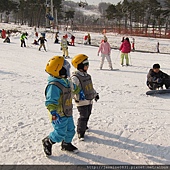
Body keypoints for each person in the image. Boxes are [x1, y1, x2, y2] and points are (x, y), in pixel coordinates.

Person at [42, 56, 80, 156]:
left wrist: (77, 89)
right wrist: (53, 112)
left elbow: (74, 89)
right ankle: (48, 141)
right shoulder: (54, 86)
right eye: (65, 68)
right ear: (58, 70)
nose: (67, 70)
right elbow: (50, 101)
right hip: (58, 114)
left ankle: (66, 144)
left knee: (71, 130)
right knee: (60, 133)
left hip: (67, 112)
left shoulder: (66, 81)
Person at [71, 54, 99, 141]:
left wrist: (95, 94)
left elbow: (90, 87)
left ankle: (84, 125)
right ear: (80, 65)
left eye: (88, 63)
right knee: (83, 116)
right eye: (86, 63)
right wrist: (72, 97)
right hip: (81, 100)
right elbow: (72, 89)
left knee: (88, 113)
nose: (88, 65)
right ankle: (80, 131)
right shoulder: (75, 77)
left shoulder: (87, 76)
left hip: (89, 99)